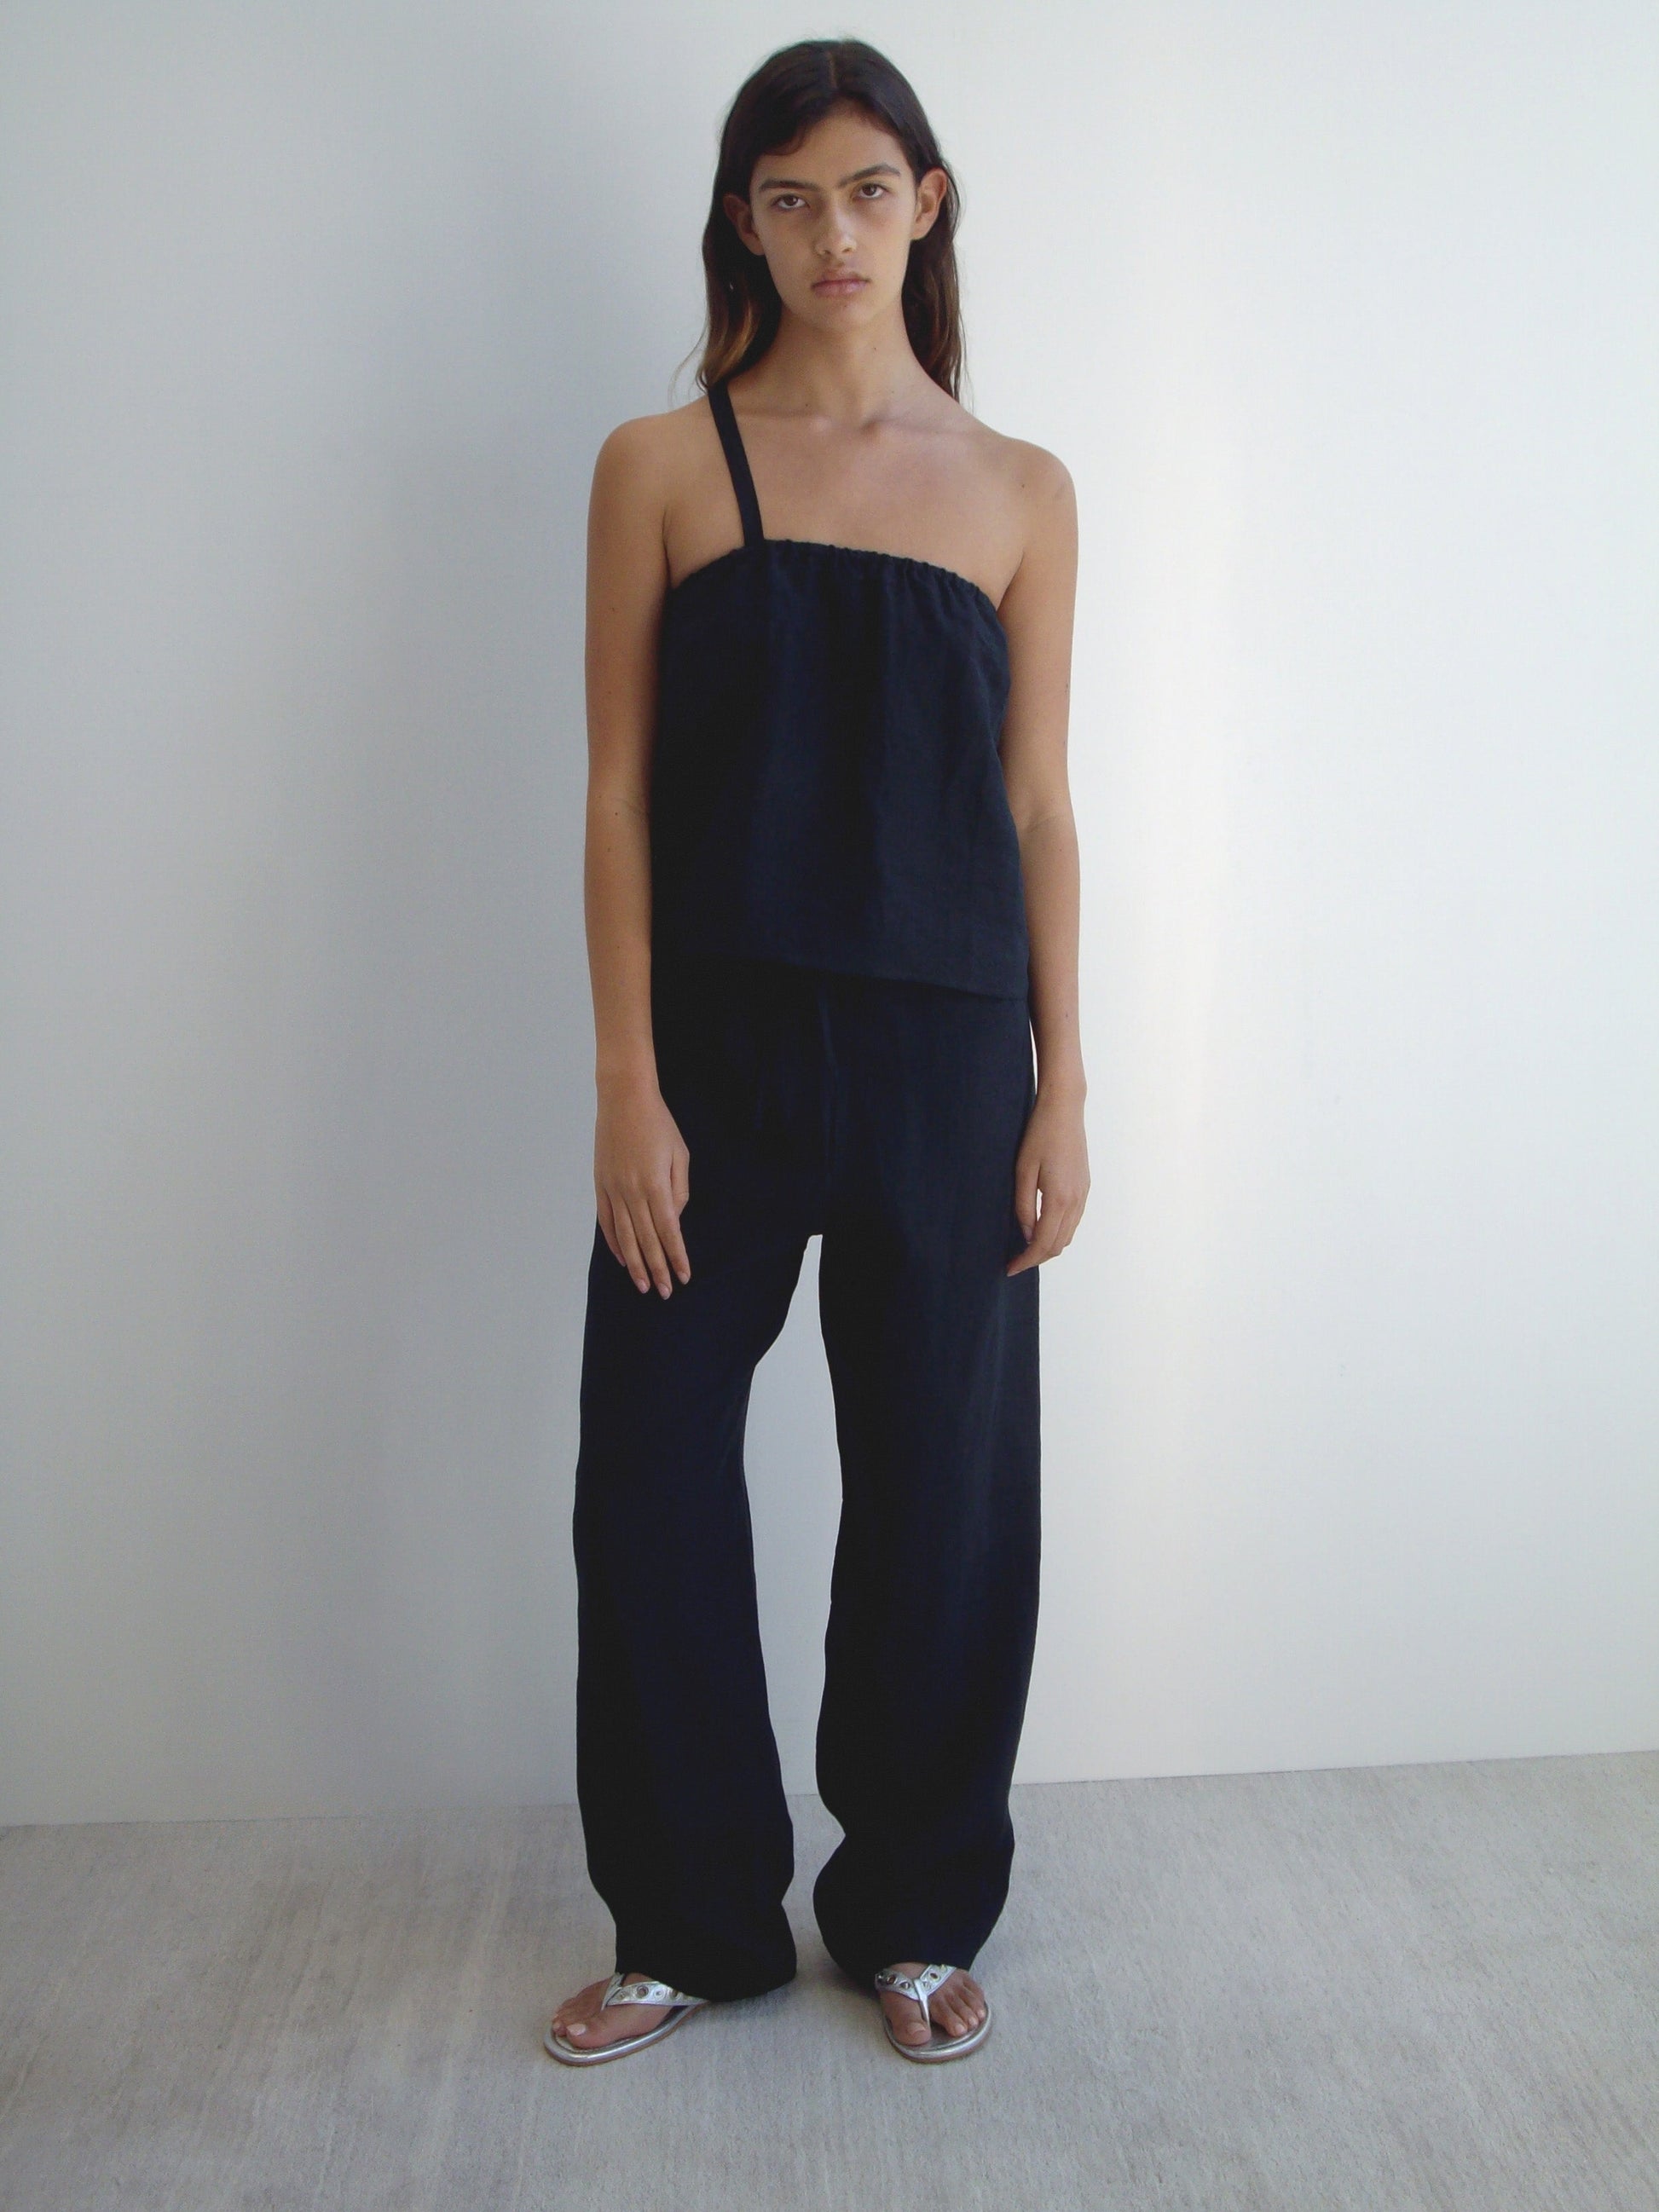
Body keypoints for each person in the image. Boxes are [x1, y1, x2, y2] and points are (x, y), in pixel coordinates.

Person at [546, 36, 1087, 2068]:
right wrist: (625, 1078)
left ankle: (918, 1902)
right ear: (741, 219)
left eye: (866, 188)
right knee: (652, 1476)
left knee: (943, 1485)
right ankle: (688, 1916)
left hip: (956, 1060)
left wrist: (1067, 1079)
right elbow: (611, 796)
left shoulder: (1023, 489)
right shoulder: (663, 465)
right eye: (787, 195)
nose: (830, 230)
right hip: (717, 1054)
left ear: (924, 205)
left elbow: (1037, 803)